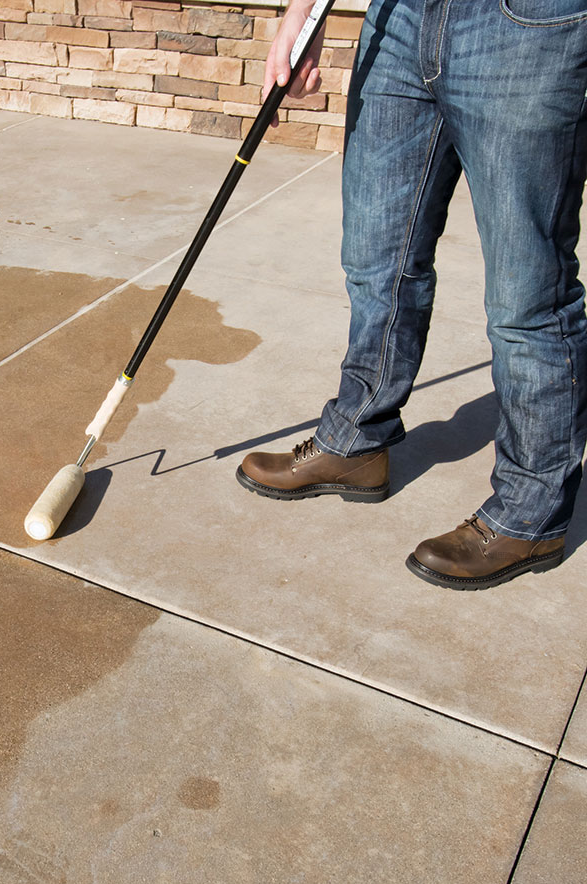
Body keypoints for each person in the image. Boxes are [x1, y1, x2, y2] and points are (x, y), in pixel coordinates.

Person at [238, 0, 587, 590]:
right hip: (400, 19)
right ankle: (357, 439)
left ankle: (532, 512)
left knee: (526, 298)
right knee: (377, 260)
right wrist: (304, 11)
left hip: (530, 27)